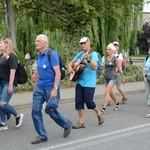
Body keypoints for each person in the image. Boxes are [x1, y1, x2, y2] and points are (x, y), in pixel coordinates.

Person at [31, 34, 71, 144]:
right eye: (36, 41)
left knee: (50, 110)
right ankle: (42, 135)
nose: (36, 43)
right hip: (40, 87)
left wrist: (55, 89)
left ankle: (66, 124)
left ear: (44, 43)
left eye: (38, 41)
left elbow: (57, 73)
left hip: (51, 87)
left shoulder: (51, 54)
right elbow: (39, 70)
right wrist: (36, 84)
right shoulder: (39, 55)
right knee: (35, 111)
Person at [68, 37, 104, 129]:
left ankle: (98, 112)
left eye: (84, 43)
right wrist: (70, 68)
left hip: (89, 82)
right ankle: (81, 122)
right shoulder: (80, 54)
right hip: (79, 81)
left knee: (89, 102)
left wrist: (88, 60)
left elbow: (94, 67)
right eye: (81, 43)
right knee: (79, 102)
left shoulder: (93, 54)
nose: (83, 45)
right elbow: (71, 62)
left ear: (89, 43)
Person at [0, 38, 24, 131]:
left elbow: (12, 71)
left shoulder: (12, 56)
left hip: (8, 82)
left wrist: (10, 85)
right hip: (1, 82)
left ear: (7, 45)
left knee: (3, 103)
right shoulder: (1, 56)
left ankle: (17, 115)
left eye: (1, 43)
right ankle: (3, 123)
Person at [101, 43, 125, 113]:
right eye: (107, 50)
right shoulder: (105, 58)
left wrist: (122, 78)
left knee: (107, 92)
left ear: (112, 50)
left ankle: (104, 108)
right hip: (106, 77)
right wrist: (99, 76)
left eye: (109, 50)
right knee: (111, 93)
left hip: (113, 77)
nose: (108, 51)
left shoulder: (115, 59)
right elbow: (104, 69)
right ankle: (117, 103)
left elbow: (119, 69)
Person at [107, 41, 127, 105]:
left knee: (118, 87)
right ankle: (108, 101)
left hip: (117, 73)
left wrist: (122, 77)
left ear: (118, 47)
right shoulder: (109, 54)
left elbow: (119, 66)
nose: (115, 47)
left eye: (116, 46)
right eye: (114, 45)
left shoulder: (119, 55)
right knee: (109, 88)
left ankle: (124, 97)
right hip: (110, 74)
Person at [143, 50, 150, 118]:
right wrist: (144, 76)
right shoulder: (147, 58)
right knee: (148, 95)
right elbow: (144, 67)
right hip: (147, 78)